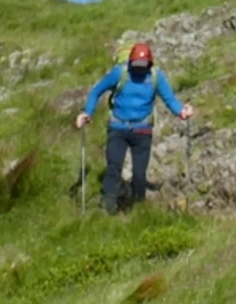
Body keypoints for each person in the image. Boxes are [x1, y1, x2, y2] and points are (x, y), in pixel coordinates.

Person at [76, 42, 194, 213]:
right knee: (114, 167)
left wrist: (181, 112)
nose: (139, 69)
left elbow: (169, 99)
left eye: (143, 65)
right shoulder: (120, 73)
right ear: (130, 62)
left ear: (150, 63)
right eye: (136, 65)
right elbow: (96, 91)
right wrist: (87, 112)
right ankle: (107, 208)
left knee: (139, 174)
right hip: (118, 128)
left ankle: (138, 209)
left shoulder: (156, 77)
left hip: (142, 130)